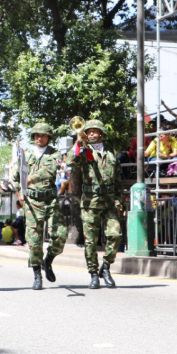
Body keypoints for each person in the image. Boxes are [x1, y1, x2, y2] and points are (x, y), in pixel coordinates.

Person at [67, 119, 123, 289]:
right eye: (88, 131)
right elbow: (70, 160)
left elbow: (118, 178)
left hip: (110, 200)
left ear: (101, 133)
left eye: (94, 131)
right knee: (91, 241)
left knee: (115, 235)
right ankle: (93, 273)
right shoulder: (84, 150)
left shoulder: (112, 152)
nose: (91, 133)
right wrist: (78, 141)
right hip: (90, 200)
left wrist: (120, 199)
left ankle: (106, 267)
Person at [13, 122, 68, 290]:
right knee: (34, 241)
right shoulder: (26, 154)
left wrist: (29, 179)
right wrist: (19, 193)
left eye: (43, 135)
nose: (39, 137)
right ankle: (37, 275)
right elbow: (16, 177)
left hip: (50, 200)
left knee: (60, 236)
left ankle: (48, 261)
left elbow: (50, 171)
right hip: (32, 203)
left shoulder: (55, 154)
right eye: (36, 135)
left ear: (48, 137)